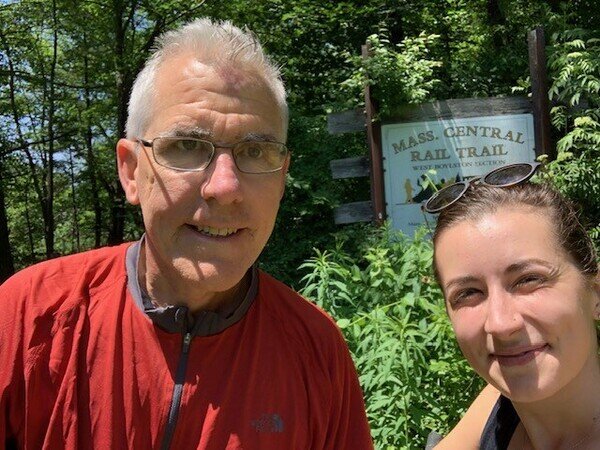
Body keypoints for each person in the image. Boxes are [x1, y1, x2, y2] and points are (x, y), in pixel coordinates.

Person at [0, 19, 373, 449]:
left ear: (283, 177)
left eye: (255, 152)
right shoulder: (29, 317)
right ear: (131, 170)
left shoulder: (316, 350)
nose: (226, 187)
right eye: (187, 146)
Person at [424, 162, 600, 449]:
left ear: (595, 292)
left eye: (528, 279)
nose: (501, 323)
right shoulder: (498, 408)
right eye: (468, 293)